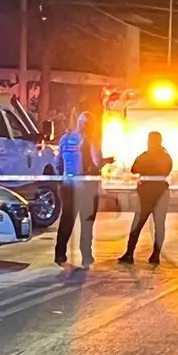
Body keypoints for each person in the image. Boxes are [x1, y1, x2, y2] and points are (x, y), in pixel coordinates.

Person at [55, 111, 103, 274]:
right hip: (87, 186)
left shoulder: (65, 139)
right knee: (87, 222)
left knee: (67, 219)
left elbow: (57, 162)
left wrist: (62, 179)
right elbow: (97, 162)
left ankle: (60, 254)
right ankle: (86, 256)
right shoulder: (91, 141)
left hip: (68, 185)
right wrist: (105, 162)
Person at [119, 131, 173, 265]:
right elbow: (167, 170)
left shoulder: (144, 156)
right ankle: (155, 256)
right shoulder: (166, 157)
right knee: (159, 226)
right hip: (161, 193)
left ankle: (129, 254)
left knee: (137, 224)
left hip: (146, 193)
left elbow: (134, 169)